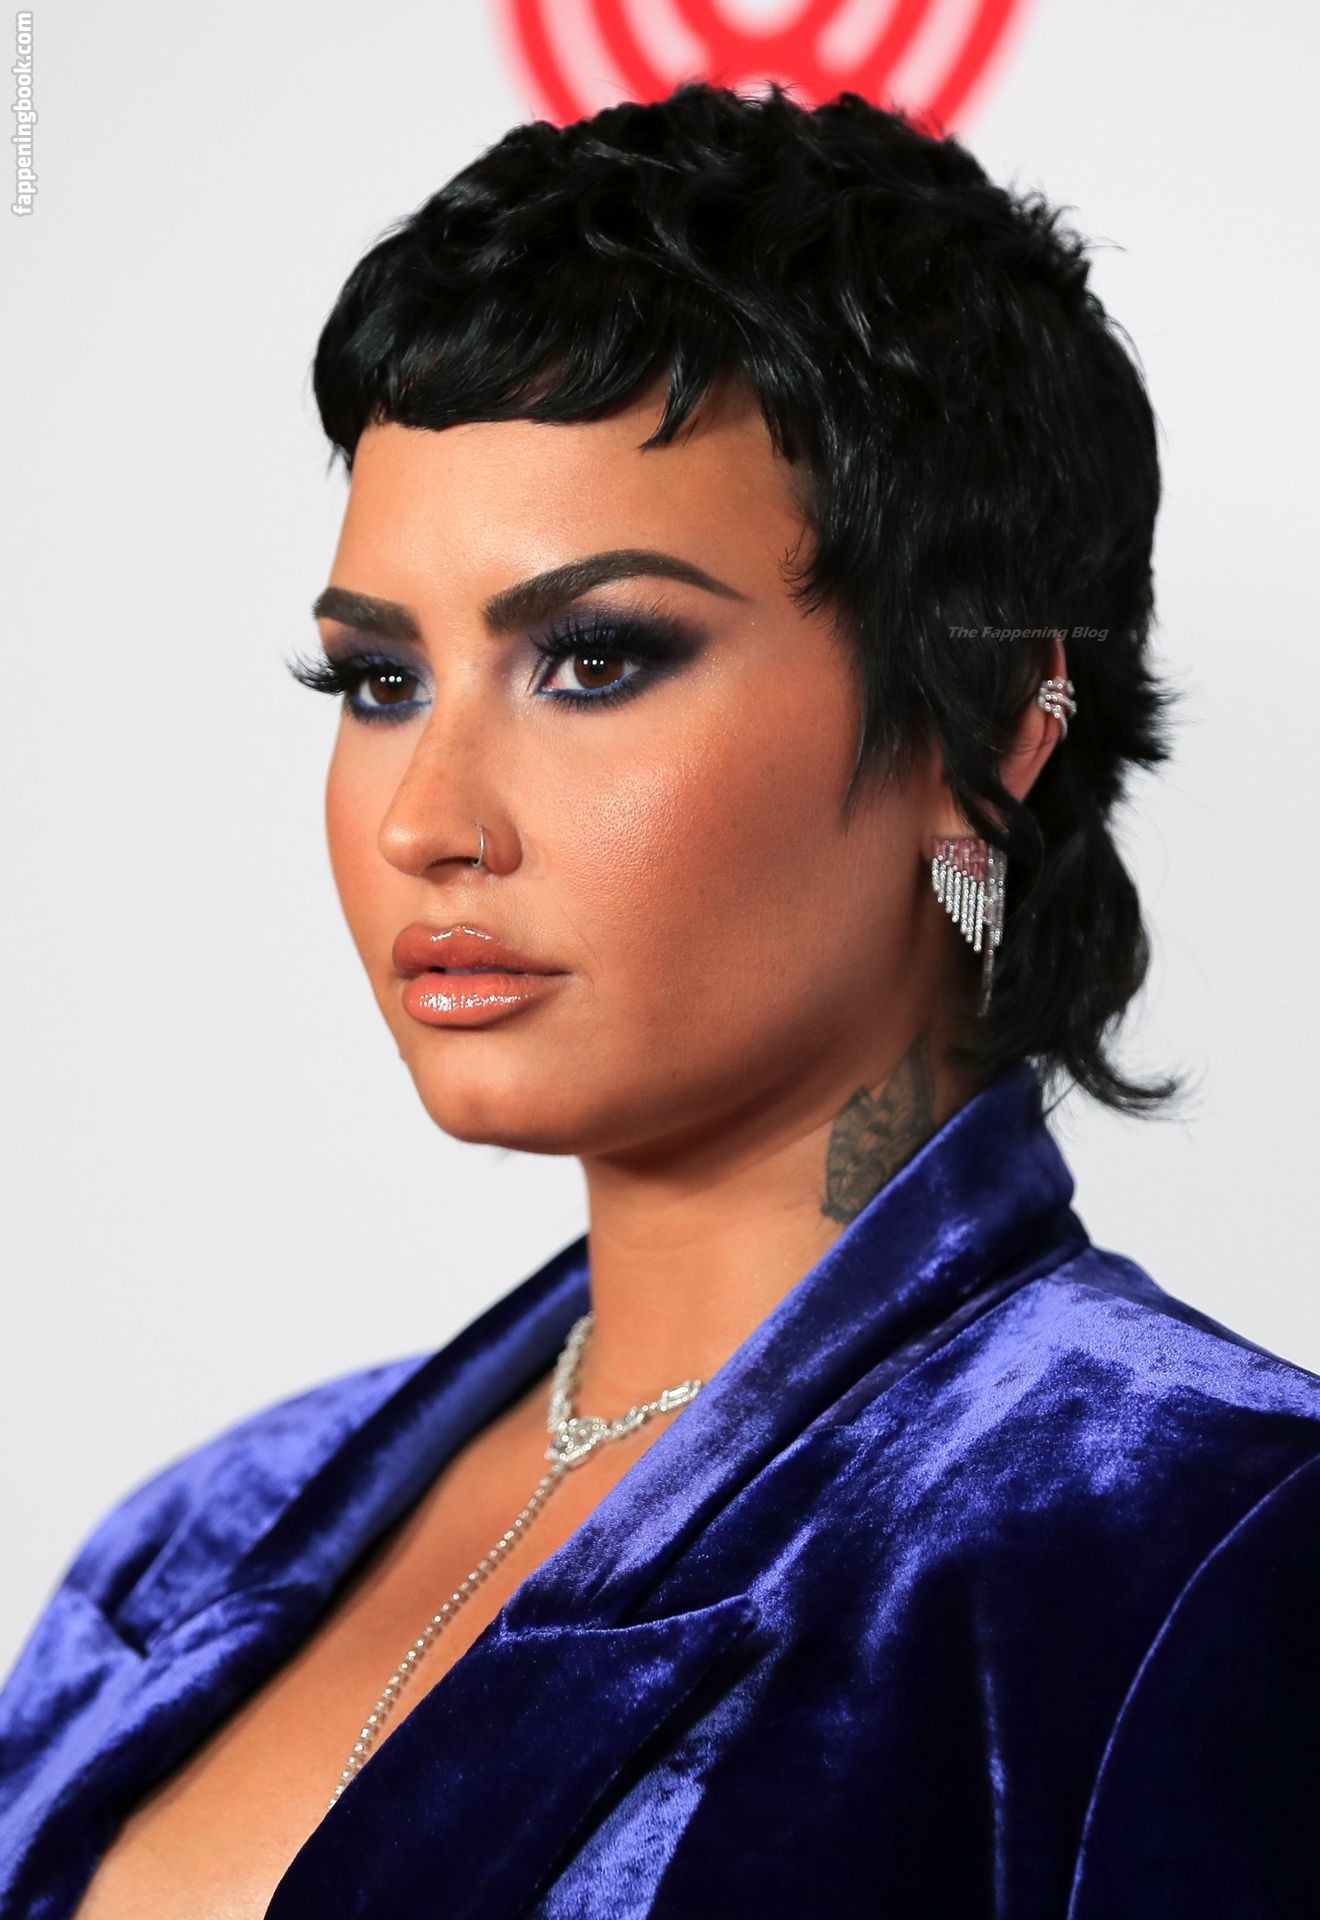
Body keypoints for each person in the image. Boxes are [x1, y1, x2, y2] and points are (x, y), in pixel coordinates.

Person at [2, 80, 1317, 1920]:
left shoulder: (1198, 1549)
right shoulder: (189, 1546)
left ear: (986, 719)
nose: (428, 820)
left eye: (595, 657)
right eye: (379, 681)